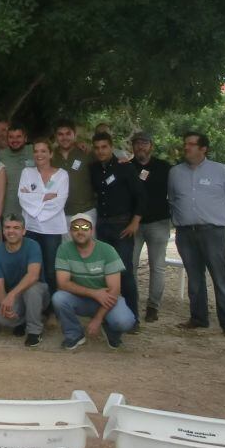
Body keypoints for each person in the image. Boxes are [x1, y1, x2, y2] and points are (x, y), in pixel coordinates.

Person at [167, 132, 225, 336]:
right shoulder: (175, 172)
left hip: (213, 232)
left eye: (191, 144)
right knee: (194, 278)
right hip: (185, 233)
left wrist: (224, 223)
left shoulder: (220, 171)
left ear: (203, 149)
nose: (187, 148)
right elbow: (173, 199)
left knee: (220, 277)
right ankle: (199, 318)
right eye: (185, 144)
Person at [52, 213, 137, 350]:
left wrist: (97, 319)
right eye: (75, 228)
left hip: (108, 299)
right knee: (58, 298)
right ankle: (74, 335)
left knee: (125, 321)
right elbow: (62, 283)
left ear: (92, 230)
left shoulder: (107, 250)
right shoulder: (64, 249)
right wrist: (94, 293)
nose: (80, 231)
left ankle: (112, 332)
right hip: (83, 298)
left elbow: (115, 290)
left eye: (85, 227)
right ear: (70, 231)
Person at [89, 131, 145, 329]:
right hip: (102, 226)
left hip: (122, 226)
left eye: (104, 147)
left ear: (111, 147)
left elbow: (140, 196)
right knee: (103, 273)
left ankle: (133, 318)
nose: (100, 151)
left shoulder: (125, 168)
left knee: (124, 272)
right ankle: (106, 315)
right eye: (97, 148)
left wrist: (135, 222)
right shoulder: (94, 168)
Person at [129, 131, 172, 322]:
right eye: (137, 143)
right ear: (133, 147)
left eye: (144, 143)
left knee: (158, 267)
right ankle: (132, 303)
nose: (141, 147)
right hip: (133, 225)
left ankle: (153, 306)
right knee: (131, 266)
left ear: (151, 146)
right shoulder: (127, 168)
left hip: (159, 223)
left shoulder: (164, 168)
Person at [18, 139, 70, 294]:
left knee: (50, 269)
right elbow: (22, 198)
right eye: (36, 151)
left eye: (43, 151)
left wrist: (34, 198)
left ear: (51, 153)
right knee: (33, 268)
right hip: (31, 228)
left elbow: (59, 202)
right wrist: (45, 197)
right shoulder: (27, 173)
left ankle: (51, 306)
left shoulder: (62, 175)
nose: (39, 154)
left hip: (52, 229)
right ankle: (36, 304)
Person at [0, 215, 49, 347]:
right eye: (8, 227)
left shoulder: (33, 246)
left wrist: (11, 295)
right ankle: (27, 319)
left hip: (37, 291)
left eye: (16, 228)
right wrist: (5, 304)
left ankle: (34, 331)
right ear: (3, 231)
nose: (11, 231)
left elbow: (33, 275)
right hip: (17, 297)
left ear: (24, 231)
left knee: (32, 289)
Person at [52, 119, 95, 226]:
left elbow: (105, 162)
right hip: (61, 214)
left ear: (74, 134)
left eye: (68, 134)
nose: (64, 137)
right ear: (56, 136)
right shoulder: (51, 156)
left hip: (86, 211)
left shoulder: (86, 153)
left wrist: (122, 160)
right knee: (66, 244)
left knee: (89, 243)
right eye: (60, 134)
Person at [0, 123, 33, 221]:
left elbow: (52, 149)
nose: (15, 140)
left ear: (25, 138)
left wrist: (78, 144)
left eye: (18, 137)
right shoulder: (0, 156)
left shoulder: (34, 151)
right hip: (8, 209)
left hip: (32, 209)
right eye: (11, 137)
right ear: (7, 139)